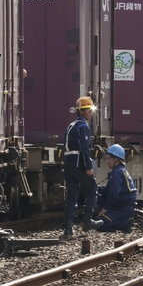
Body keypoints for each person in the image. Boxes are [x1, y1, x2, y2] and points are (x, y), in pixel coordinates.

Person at [61, 96, 103, 240]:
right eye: (89, 110)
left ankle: (68, 230)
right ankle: (87, 221)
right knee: (93, 189)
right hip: (79, 164)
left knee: (72, 195)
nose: (91, 113)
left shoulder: (70, 126)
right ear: (82, 111)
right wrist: (88, 167)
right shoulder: (83, 127)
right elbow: (85, 149)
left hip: (68, 164)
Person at [95, 144, 138, 232]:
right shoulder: (120, 170)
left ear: (116, 160)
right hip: (123, 206)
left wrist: (104, 210)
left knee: (99, 225)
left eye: (109, 159)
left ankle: (125, 223)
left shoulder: (117, 173)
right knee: (100, 197)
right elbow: (109, 190)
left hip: (123, 208)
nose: (107, 161)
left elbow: (113, 195)